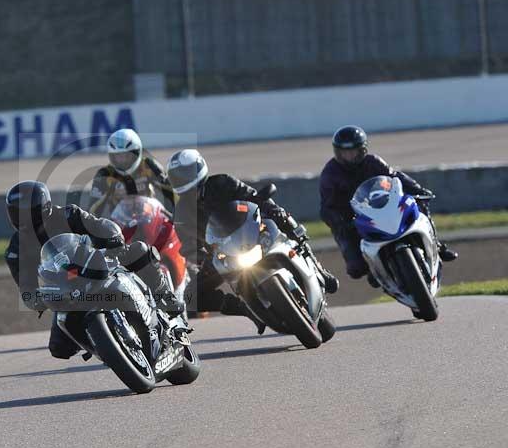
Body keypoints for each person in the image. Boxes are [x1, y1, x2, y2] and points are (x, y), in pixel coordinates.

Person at [4, 180, 184, 359]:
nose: (23, 218)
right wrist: (37, 299)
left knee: (139, 250)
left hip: (96, 263)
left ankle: (164, 298)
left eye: (27, 212)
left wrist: (112, 237)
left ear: (44, 206)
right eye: (17, 213)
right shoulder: (15, 250)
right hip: (66, 289)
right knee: (59, 348)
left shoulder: (68, 214)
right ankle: (103, 345)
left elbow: (99, 225)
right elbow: (26, 286)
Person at [166, 149, 339, 333]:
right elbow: (188, 246)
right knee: (191, 296)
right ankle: (244, 308)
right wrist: (201, 258)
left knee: (284, 220)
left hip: (253, 232)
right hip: (222, 253)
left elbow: (255, 197)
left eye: (185, 174)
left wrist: (273, 209)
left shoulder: (223, 182)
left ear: (199, 168)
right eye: (178, 177)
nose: (182, 180)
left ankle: (318, 267)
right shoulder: (182, 212)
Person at [319, 125, 458, 286]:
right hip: (354, 217)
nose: (349, 156)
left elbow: (395, 177)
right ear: (337, 152)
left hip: (384, 205)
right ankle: (374, 268)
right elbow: (326, 207)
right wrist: (338, 221)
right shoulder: (329, 174)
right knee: (356, 268)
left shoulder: (373, 162)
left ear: (362, 150)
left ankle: (437, 245)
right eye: (345, 152)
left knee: (417, 204)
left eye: (353, 151)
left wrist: (417, 190)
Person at [88, 128, 175, 217]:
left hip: (149, 217)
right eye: (118, 156)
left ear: (137, 152)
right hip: (119, 223)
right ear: (111, 156)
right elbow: (93, 208)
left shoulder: (148, 166)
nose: (122, 160)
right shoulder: (105, 174)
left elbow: (170, 191)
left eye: (126, 155)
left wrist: (175, 217)